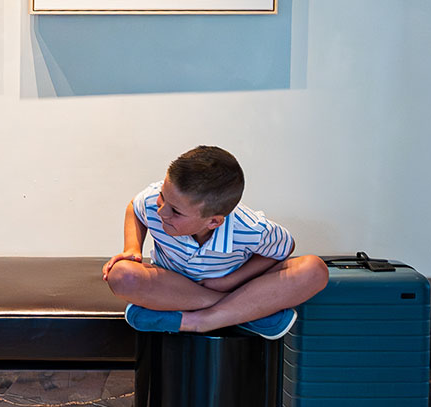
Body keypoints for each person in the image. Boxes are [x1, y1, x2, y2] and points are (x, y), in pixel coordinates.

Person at [102, 145, 327, 338]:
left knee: (314, 270)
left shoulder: (250, 228)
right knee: (122, 275)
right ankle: (245, 312)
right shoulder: (154, 201)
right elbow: (134, 207)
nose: (162, 211)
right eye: (163, 196)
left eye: (176, 212)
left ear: (213, 222)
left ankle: (199, 321)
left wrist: (230, 280)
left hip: (228, 282)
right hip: (173, 283)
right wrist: (132, 247)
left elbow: (282, 249)